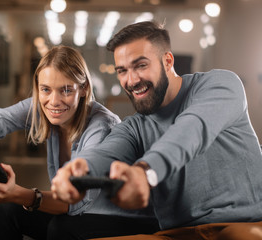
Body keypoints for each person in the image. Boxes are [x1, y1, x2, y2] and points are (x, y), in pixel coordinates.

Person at [51, 21, 262, 240]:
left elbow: (190, 130)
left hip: (244, 225)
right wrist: (76, 170)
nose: (131, 81)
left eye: (141, 65)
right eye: (122, 71)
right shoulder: (135, 127)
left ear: (167, 61)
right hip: (177, 234)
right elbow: (105, 153)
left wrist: (145, 172)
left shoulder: (220, 85)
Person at [0, 45, 159, 240]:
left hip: (123, 217)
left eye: (65, 90)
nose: (54, 101)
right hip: (84, 213)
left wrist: (18, 194)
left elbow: (78, 202)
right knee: (8, 211)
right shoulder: (45, 106)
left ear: (83, 89)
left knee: (60, 228)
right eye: (46, 89)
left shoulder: (101, 126)